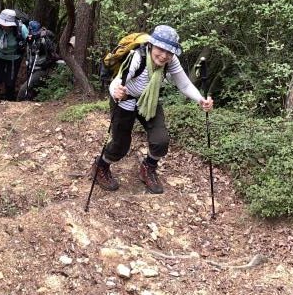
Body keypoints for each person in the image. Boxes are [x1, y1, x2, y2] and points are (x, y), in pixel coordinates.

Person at [90, 24, 213, 194]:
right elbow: (118, 80)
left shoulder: (171, 61)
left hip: (149, 100)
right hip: (125, 99)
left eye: (169, 52)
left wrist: (201, 99)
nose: (164, 55)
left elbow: (184, 84)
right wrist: (116, 91)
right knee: (120, 145)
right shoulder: (136, 57)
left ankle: (148, 168)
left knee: (161, 140)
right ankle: (101, 166)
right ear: (151, 44)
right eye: (160, 49)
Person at [17, 20, 59, 101]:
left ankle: (19, 102)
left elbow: (51, 37)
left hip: (41, 69)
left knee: (23, 90)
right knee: (31, 90)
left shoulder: (44, 39)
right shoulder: (30, 39)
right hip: (32, 69)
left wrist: (42, 39)